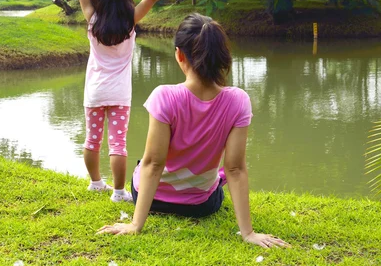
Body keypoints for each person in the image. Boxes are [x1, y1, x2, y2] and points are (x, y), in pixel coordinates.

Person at [97, 14, 290, 248]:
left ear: (179, 54)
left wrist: (135, 225)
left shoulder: (164, 96)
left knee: (142, 165)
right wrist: (248, 233)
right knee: (219, 179)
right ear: (222, 56)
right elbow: (235, 168)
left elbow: (153, 164)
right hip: (200, 207)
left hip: (152, 200)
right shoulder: (238, 101)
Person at [48, 0, 190, 202]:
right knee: (117, 144)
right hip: (120, 94)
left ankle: (95, 183)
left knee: (92, 139)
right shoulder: (130, 21)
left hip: (94, 92)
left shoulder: (92, 20)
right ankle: (118, 192)